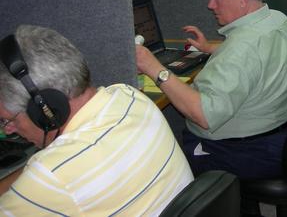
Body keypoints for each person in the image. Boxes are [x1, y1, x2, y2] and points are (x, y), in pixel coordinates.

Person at [136, 0, 287, 179]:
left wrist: (154, 68)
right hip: (284, 135)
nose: (210, 5)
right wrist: (211, 48)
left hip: (242, 152)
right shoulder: (277, 20)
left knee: (158, 159)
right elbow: (258, 55)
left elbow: (203, 115)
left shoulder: (242, 49)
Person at [0, 25, 192, 215]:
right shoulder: (129, 95)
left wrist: (36, 172)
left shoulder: (52, 177)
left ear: (45, 108)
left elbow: (47, 176)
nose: (7, 130)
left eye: (7, 120)